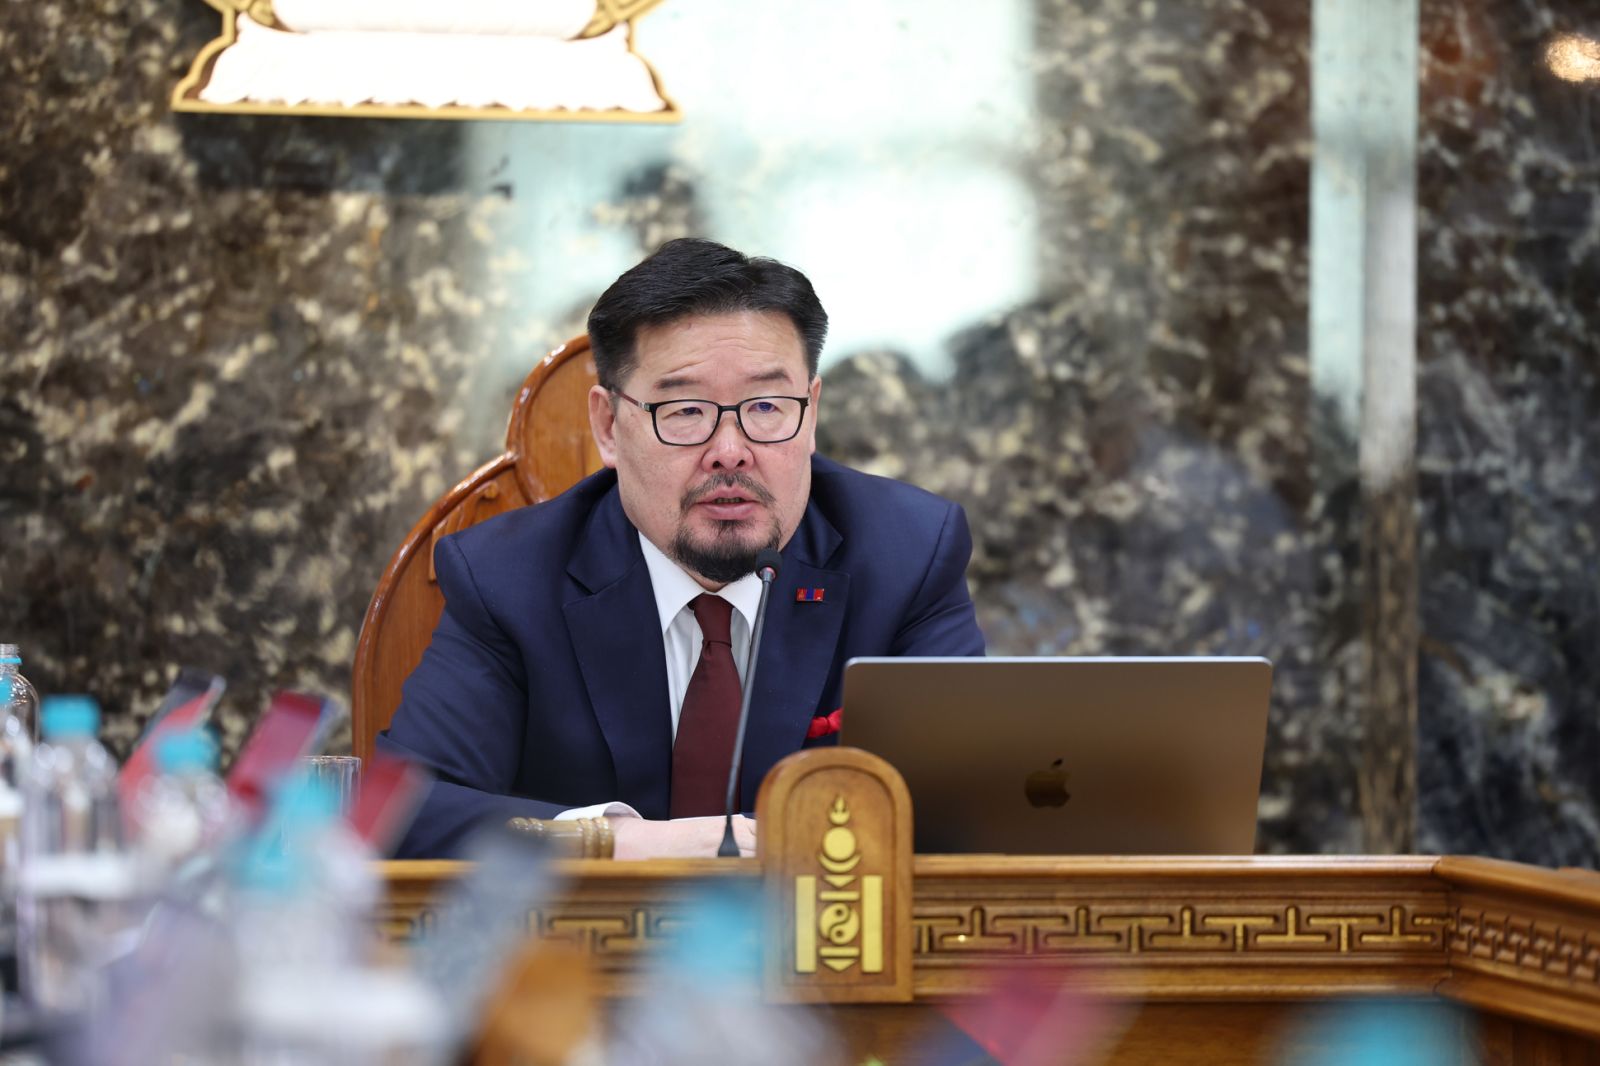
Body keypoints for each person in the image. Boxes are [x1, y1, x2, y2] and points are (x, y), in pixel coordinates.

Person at [381, 238, 985, 859]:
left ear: (811, 416)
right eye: (686, 410)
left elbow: (972, 801)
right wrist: (634, 842)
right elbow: (401, 812)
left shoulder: (908, 555)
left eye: (767, 406)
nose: (730, 451)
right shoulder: (507, 579)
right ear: (608, 427)